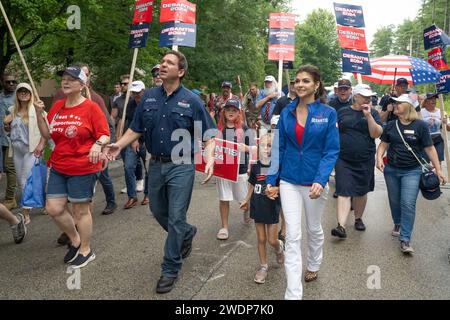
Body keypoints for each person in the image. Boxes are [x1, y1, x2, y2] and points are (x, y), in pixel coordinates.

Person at [105, 51, 216, 294]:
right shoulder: (148, 98)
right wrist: (119, 144)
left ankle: (170, 268)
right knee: (157, 211)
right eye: (162, 62)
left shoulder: (192, 100)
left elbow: (209, 135)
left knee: (176, 216)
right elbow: (136, 128)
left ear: (181, 71)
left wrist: (209, 159)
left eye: (169, 63)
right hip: (155, 164)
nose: (163, 66)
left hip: (182, 165)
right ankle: (187, 233)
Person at [266, 65, 339, 300]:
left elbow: (331, 150)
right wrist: (272, 179)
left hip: (314, 183)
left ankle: (314, 263)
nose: (299, 85)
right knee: (293, 236)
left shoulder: (327, 113)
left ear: (316, 85)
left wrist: (321, 179)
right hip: (288, 181)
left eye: (305, 81)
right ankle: (293, 293)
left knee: (314, 228)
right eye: (297, 81)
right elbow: (279, 148)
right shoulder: (286, 112)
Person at [34, 66, 110, 269]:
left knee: (80, 211)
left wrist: (97, 144)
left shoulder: (91, 107)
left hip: (83, 167)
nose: (65, 82)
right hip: (59, 164)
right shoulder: (58, 106)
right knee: (53, 208)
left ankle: (86, 249)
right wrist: (38, 114)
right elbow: (48, 134)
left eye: (71, 79)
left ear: (82, 84)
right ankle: (75, 240)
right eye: (64, 79)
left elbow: (104, 134)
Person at [376, 94, 446, 254]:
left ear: (408, 106)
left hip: (412, 171)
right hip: (391, 170)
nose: (395, 105)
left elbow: (429, 148)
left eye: (398, 103)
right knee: (394, 201)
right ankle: (397, 223)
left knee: (407, 203)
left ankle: (405, 239)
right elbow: (383, 144)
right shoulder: (391, 125)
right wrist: (378, 157)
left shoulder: (420, 126)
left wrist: (438, 169)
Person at [331, 84, 383, 239]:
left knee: (361, 191)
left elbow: (376, 134)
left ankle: (358, 218)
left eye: (369, 96)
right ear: (355, 96)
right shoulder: (342, 112)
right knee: (343, 190)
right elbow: (334, 131)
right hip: (343, 159)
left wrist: (368, 116)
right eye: (364, 96)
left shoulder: (373, 113)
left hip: (364, 159)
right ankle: (341, 226)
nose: (367, 98)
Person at [240, 133, 284, 284]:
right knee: (261, 239)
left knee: (272, 240)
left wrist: (276, 189)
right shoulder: (256, 166)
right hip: (257, 206)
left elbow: (283, 186)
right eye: (263, 145)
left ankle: (279, 248)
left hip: (271, 206)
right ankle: (263, 267)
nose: (266, 149)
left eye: (270, 145)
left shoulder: (277, 165)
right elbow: (252, 184)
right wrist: (246, 200)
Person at [3, 83, 47, 225]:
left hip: (31, 149)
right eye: (20, 91)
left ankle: (26, 213)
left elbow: (45, 130)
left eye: (26, 91)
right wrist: (6, 126)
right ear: (17, 94)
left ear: (30, 93)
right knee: (29, 180)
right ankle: (44, 201)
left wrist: (41, 145)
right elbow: (12, 132)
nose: (23, 93)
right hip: (16, 149)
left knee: (24, 180)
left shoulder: (37, 109)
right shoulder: (12, 110)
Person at [215, 98, 253, 241]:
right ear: (224, 112)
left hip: (240, 170)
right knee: (224, 198)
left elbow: (253, 150)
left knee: (243, 200)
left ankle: (247, 210)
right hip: (223, 169)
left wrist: (249, 162)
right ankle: (224, 227)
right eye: (228, 110)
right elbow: (213, 148)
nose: (230, 112)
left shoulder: (244, 129)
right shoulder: (219, 129)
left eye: (234, 110)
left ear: (239, 112)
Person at [122, 80, 149, 208]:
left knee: (149, 168)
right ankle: (132, 196)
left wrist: (140, 139)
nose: (136, 96)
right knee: (128, 167)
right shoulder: (131, 104)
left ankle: (148, 194)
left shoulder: (150, 102)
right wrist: (132, 140)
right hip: (133, 140)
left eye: (138, 93)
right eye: (134, 93)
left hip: (148, 141)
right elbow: (131, 124)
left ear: (144, 91)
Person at [0, 73, 18, 210]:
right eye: (8, 82)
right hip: (1, 138)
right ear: (2, 82)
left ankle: (10, 198)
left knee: (10, 167)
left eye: (13, 82)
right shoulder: (0, 97)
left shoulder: (19, 97)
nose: (11, 84)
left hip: (12, 139)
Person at [420, 93, 445, 163]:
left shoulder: (441, 112)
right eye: (430, 99)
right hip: (425, 139)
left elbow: (448, 127)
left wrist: (445, 122)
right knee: (425, 163)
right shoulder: (421, 112)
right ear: (426, 101)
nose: (433, 101)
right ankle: (429, 173)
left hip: (438, 139)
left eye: (434, 99)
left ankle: (438, 173)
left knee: (438, 162)